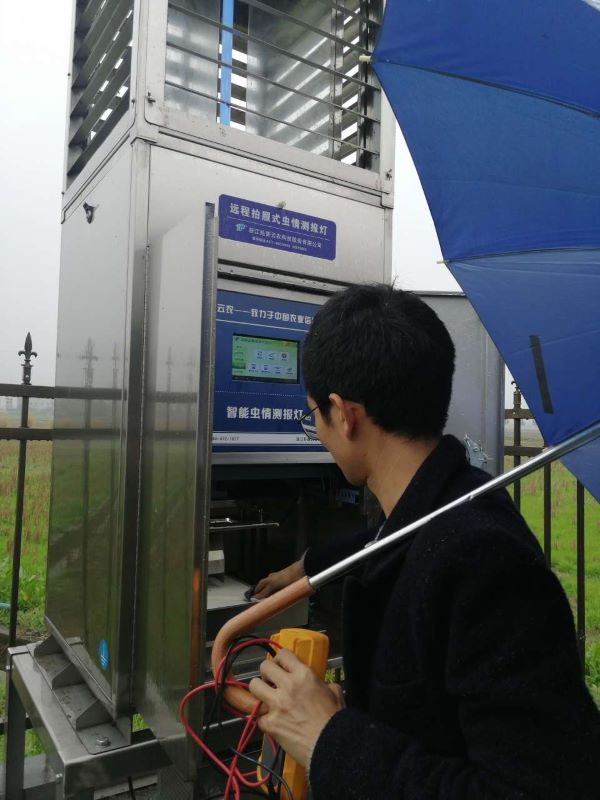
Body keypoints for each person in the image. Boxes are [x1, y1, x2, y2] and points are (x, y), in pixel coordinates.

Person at [248, 284, 600, 799]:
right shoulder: (436, 511)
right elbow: (381, 545)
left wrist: (330, 738)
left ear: (344, 415)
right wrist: (304, 568)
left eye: (314, 416)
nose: (318, 433)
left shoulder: (485, 563)